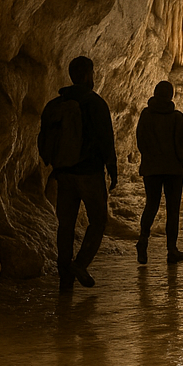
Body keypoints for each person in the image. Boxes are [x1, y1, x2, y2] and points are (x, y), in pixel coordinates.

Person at [47, 55, 117, 290]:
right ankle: (80, 264)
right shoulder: (95, 103)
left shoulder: (56, 104)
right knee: (98, 221)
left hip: (64, 173)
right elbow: (106, 140)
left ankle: (64, 278)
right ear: (88, 75)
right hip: (89, 173)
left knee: (65, 225)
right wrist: (112, 169)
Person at [135, 79, 183, 265]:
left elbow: (141, 140)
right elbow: (182, 142)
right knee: (173, 210)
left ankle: (143, 239)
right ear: (170, 96)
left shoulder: (146, 115)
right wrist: (179, 160)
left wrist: (150, 158)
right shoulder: (176, 117)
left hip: (151, 168)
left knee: (151, 204)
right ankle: (171, 249)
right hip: (173, 169)